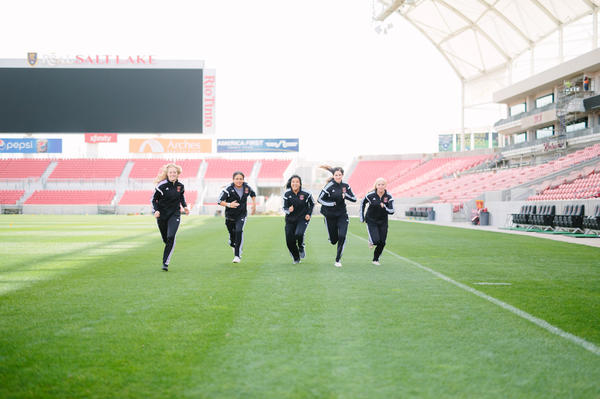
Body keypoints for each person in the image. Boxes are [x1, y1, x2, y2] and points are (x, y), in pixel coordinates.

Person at [152, 163, 189, 271]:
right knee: (166, 239)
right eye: (170, 172)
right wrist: (156, 210)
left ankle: (165, 263)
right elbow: (154, 200)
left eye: (174, 172)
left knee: (170, 237)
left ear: (177, 174)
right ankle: (170, 244)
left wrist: (185, 207)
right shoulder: (161, 186)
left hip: (175, 214)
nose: (173, 174)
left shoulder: (180, 186)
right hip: (162, 216)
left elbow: (181, 197)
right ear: (167, 174)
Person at [317, 165, 357, 267]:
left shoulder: (346, 186)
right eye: (336, 175)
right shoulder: (329, 186)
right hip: (330, 215)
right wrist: (331, 204)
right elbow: (319, 199)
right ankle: (332, 238)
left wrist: (346, 196)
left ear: (342, 175)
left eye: (340, 175)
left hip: (342, 215)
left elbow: (354, 198)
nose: (338, 176)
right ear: (333, 176)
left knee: (342, 236)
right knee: (334, 240)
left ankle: (338, 260)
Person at [218, 171, 257, 263]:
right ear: (233, 179)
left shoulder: (247, 187)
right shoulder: (228, 189)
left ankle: (237, 256)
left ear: (243, 179)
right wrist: (229, 204)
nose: (239, 181)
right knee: (232, 236)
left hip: (242, 215)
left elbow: (253, 194)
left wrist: (254, 205)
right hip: (230, 216)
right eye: (237, 179)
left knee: (239, 231)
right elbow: (219, 201)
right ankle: (232, 242)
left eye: (241, 179)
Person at [359, 177, 395, 265]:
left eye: (383, 185)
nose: (381, 186)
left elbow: (392, 211)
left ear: (385, 186)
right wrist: (362, 217)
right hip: (371, 220)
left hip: (383, 222)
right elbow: (362, 203)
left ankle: (376, 259)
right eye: (379, 184)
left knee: (382, 242)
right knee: (375, 241)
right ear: (376, 186)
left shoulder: (389, 197)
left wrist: (385, 207)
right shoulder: (370, 195)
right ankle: (371, 241)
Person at [282, 175, 314, 264]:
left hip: (302, 219)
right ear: (291, 183)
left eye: (297, 182)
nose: (295, 183)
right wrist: (288, 210)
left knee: (299, 234)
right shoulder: (287, 194)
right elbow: (284, 208)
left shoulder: (306, 193)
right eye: (293, 182)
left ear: (300, 184)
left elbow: (312, 204)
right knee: (289, 241)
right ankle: (296, 258)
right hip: (290, 220)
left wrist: (308, 214)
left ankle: (301, 246)